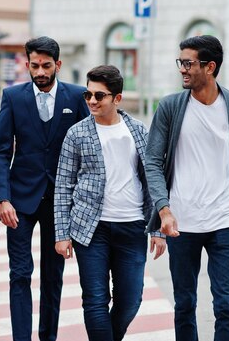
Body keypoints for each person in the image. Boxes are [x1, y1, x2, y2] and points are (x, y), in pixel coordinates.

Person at [145, 35, 229, 341]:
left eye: (189, 63)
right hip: (180, 222)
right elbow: (152, 161)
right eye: (181, 62)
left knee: (226, 305)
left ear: (210, 67)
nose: (182, 70)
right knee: (185, 305)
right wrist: (164, 210)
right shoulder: (171, 107)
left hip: (224, 220)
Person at [54, 65, 166, 340]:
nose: (92, 101)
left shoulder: (138, 130)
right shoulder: (77, 133)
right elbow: (63, 184)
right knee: (95, 299)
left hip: (132, 226)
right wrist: (62, 233)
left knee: (131, 299)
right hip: (91, 229)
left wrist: (159, 227)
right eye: (88, 95)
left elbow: (154, 178)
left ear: (117, 98)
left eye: (99, 96)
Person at [0, 36, 90, 341]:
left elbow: (87, 150)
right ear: (27, 64)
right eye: (34, 65)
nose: (40, 71)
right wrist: (2, 199)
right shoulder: (13, 97)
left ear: (58, 65)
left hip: (61, 203)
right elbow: (1, 152)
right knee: (19, 274)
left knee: (53, 277)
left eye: (46, 65)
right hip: (20, 200)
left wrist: (79, 198)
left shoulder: (76, 98)